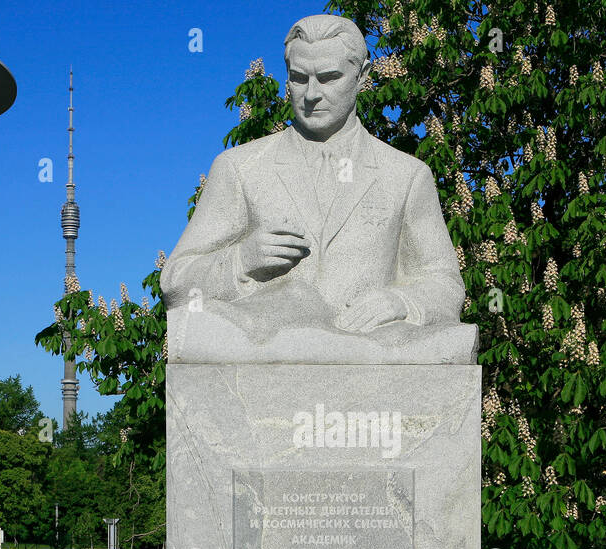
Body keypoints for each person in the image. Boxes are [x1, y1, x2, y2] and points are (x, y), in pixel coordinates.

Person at [160, 13, 465, 337]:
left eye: (329, 77)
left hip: (371, 361)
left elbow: (446, 287)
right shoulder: (239, 168)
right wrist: (241, 261)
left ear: (362, 77)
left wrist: (401, 302)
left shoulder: (406, 176)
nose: (311, 94)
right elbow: (176, 283)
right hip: (268, 356)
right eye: (299, 78)